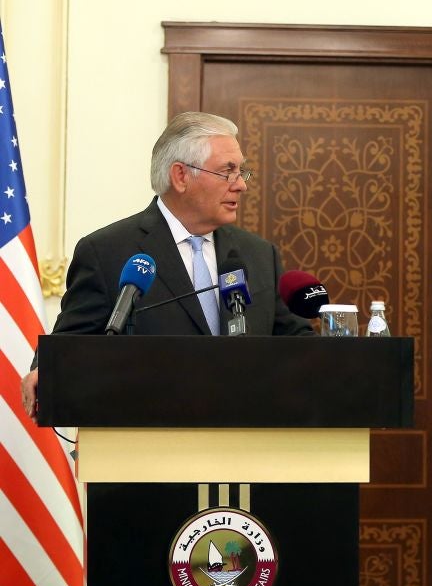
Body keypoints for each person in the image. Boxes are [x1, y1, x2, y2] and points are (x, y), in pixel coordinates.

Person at [20, 111, 312, 417]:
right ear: (181, 176)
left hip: (246, 440)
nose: (241, 185)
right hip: (147, 440)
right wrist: (47, 371)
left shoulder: (258, 254)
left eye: (242, 172)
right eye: (228, 172)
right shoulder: (107, 252)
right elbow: (70, 343)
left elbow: (296, 343)